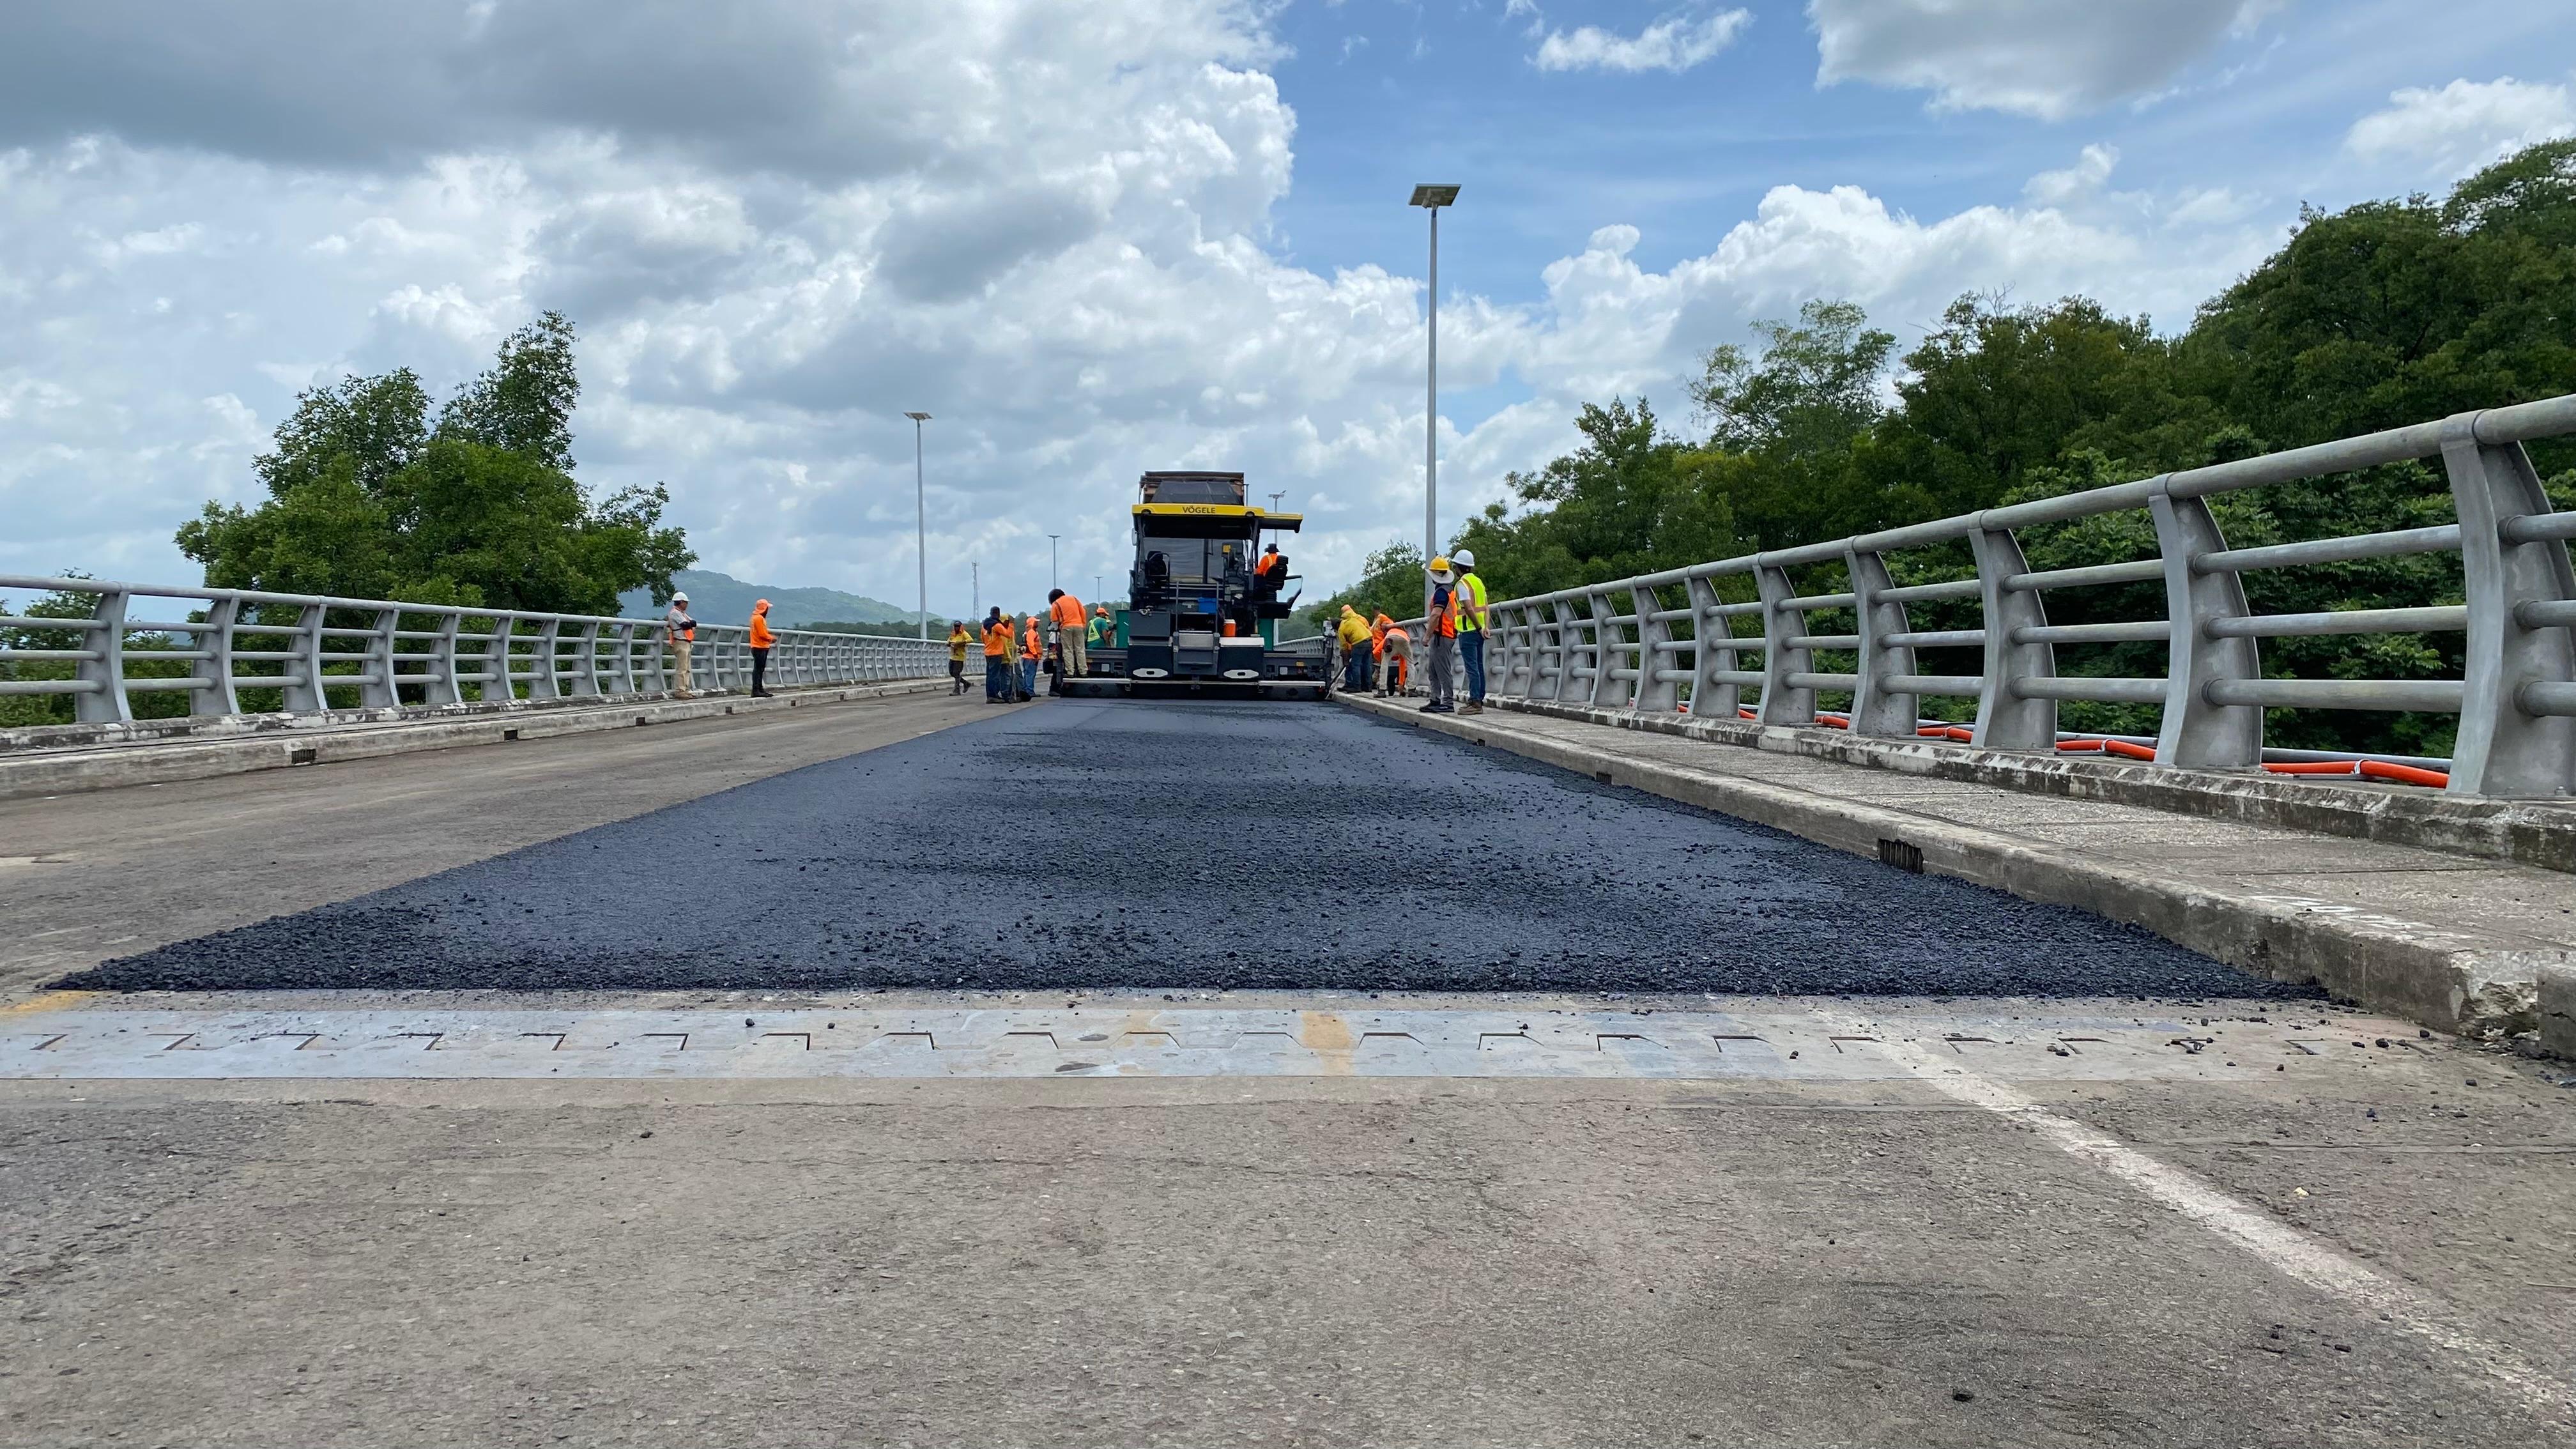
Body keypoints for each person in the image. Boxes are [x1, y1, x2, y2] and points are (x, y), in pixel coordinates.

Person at [1453, 548, 1489, 715]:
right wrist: (1485, 627)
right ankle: (1479, 698)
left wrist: (1478, 627)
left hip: (1468, 630)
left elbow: (1468, 607)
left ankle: (1475, 703)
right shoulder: (1479, 582)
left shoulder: (1462, 584)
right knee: (1479, 666)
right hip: (1480, 631)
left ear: (1458, 568)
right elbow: (1486, 607)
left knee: (1472, 667)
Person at [1422, 558, 1460, 715]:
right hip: (1445, 634)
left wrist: (1427, 636)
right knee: (1434, 669)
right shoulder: (1448, 590)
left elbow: (1436, 615)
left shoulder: (1441, 593)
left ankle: (1447, 702)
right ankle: (1435, 699)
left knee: (1442, 670)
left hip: (1443, 635)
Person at [1048, 588, 1087, 685]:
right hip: (1079, 626)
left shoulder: (1056, 604)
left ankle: (1070, 672)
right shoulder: (1074, 599)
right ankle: (1083, 671)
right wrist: (1083, 624)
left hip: (1066, 627)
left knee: (1068, 650)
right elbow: (1083, 612)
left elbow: (1054, 619)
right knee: (1080, 649)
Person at [663, 590, 697, 698]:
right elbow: (686, 625)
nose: (687, 604)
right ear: (681, 602)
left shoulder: (682, 613)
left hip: (686, 641)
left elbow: (693, 623)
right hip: (680, 641)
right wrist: (689, 625)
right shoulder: (675, 613)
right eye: (686, 602)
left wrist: (690, 625)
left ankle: (685, 689)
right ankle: (680, 690)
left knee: (687, 668)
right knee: (682, 667)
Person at [1336, 604, 1373, 693]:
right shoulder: (1357, 619)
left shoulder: (1341, 628)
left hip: (1359, 643)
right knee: (1367, 664)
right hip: (1369, 640)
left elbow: (1344, 646)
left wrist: (1346, 660)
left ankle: (1357, 687)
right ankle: (1368, 687)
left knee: (1355, 665)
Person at [981, 608, 1014, 702]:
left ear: (990, 613)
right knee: (995, 676)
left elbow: (982, 638)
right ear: (998, 614)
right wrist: (1011, 624)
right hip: (996, 653)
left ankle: (990, 695)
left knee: (990, 675)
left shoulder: (984, 626)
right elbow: (1008, 635)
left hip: (988, 652)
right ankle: (993, 696)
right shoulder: (997, 625)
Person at [1374, 613, 1411, 695]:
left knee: (1385, 665)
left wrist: (1381, 660)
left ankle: (1382, 690)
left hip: (1390, 667)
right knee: (1411, 663)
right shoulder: (1403, 632)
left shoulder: (1389, 635)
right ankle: (1412, 689)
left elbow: (1376, 652)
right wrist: (1401, 683)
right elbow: (1403, 664)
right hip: (1404, 640)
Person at [747, 598, 776, 697]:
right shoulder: (759, 618)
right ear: (764, 608)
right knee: (759, 669)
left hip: (758, 645)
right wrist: (771, 638)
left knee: (759, 669)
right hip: (759, 646)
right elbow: (762, 634)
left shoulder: (754, 617)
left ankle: (759, 689)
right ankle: (756, 690)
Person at [946, 620, 972, 694]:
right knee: (952, 673)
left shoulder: (964, 634)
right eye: (955, 626)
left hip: (959, 657)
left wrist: (962, 643)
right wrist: (950, 644)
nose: (957, 628)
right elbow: (948, 642)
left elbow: (970, 640)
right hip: (952, 656)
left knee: (956, 673)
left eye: (958, 626)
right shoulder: (953, 634)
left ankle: (957, 690)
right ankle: (966, 683)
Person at [1020, 612, 1043, 699]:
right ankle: (1029, 691)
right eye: (1036, 622)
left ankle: (1027, 690)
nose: (1037, 623)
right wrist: (1035, 655)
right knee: (1030, 674)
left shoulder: (1029, 632)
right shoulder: (1032, 632)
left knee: (1027, 674)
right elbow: (1030, 644)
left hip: (1028, 657)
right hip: (1031, 657)